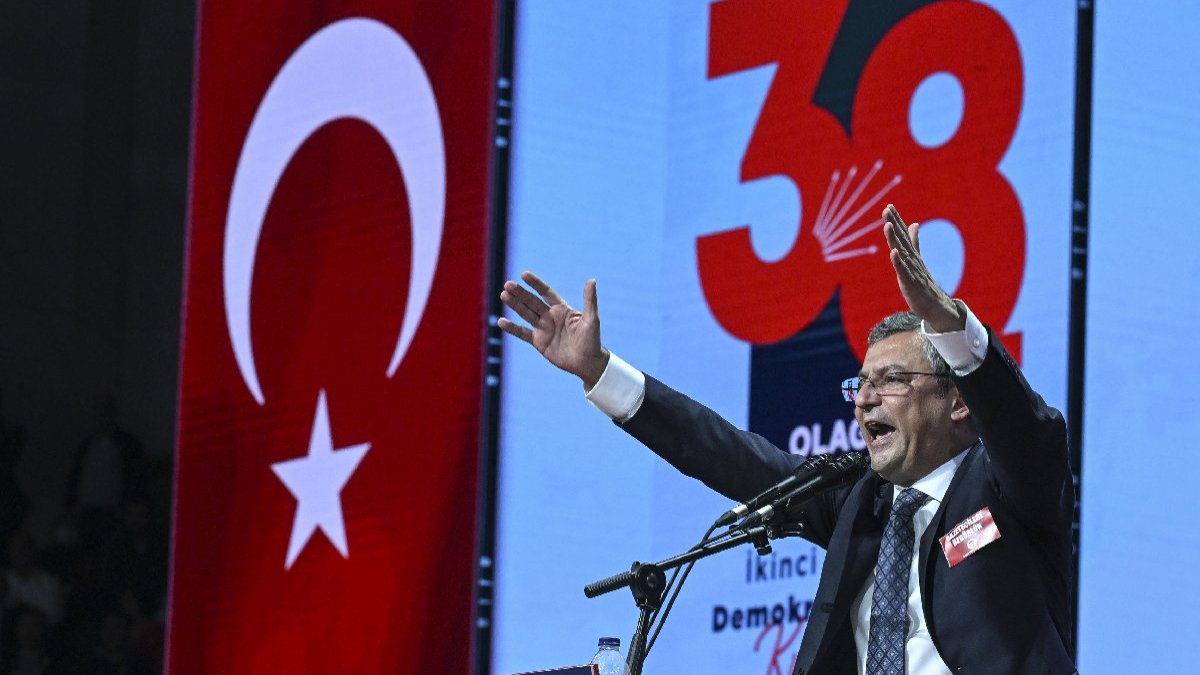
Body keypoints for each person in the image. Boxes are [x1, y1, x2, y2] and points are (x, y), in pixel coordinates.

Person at [497, 205, 1075, 674]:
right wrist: (600, 373)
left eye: (892, 380)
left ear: (958, 400)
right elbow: (723, 452)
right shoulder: (857, 502)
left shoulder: (1008, 486)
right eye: (860, 384)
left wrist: (950, 326)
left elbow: (1026, 428)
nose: (865, 399)